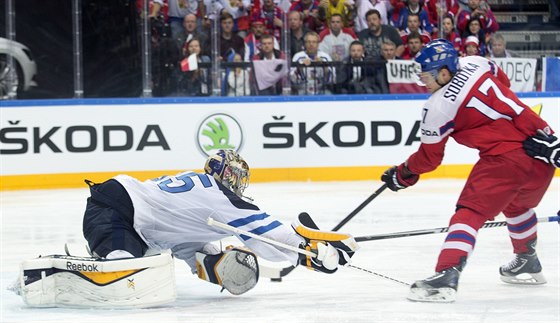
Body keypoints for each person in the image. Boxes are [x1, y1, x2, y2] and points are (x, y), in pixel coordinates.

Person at [380, 39, 555, 303]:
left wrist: (403, 173)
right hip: (542, 153)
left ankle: (446, 275)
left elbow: (429, 159)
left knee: (469, 212)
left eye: (426, 75)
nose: (422, 81)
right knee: (516, 206)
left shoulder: (437, 106)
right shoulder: (475, 63)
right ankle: (527, 260)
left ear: (443, 72)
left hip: (505, 161)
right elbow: (503, 81)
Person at [81, 149, 357, 298]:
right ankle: (101, 262)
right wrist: (307, 252)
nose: (240, 185)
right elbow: (266, 232)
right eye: (239, 178)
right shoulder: (219, 196)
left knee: (146, 266)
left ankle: (108, 254)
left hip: (124, 213)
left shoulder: (198, 199)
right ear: (230, 175)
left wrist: (214, 263)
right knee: (122, 278)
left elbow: (190, 248)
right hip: (115, 211)